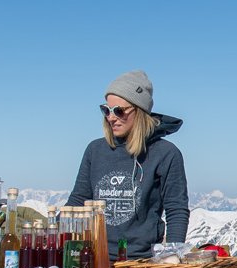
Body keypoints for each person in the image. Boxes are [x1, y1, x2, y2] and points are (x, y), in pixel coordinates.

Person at [67, 70, 190, 258]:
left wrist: (173, 257)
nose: (111, 117)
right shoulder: (95, 150)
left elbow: (176, 210)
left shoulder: (165, 153)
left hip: (140, 264)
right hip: (94, 258)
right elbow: (78, 201)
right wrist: (52, 234)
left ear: (139, 111)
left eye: (119, 111)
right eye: (106, 110)